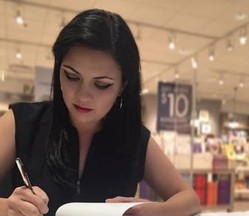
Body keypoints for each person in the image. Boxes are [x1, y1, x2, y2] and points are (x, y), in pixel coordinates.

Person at [0, 8, 200, 216]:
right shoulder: (21, 122)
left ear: (122, 86)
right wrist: (7, 208)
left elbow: (190, 198)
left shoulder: (134, 138)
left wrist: (157, 210)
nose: (83, 96)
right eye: (71, 76)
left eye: (102, 85)